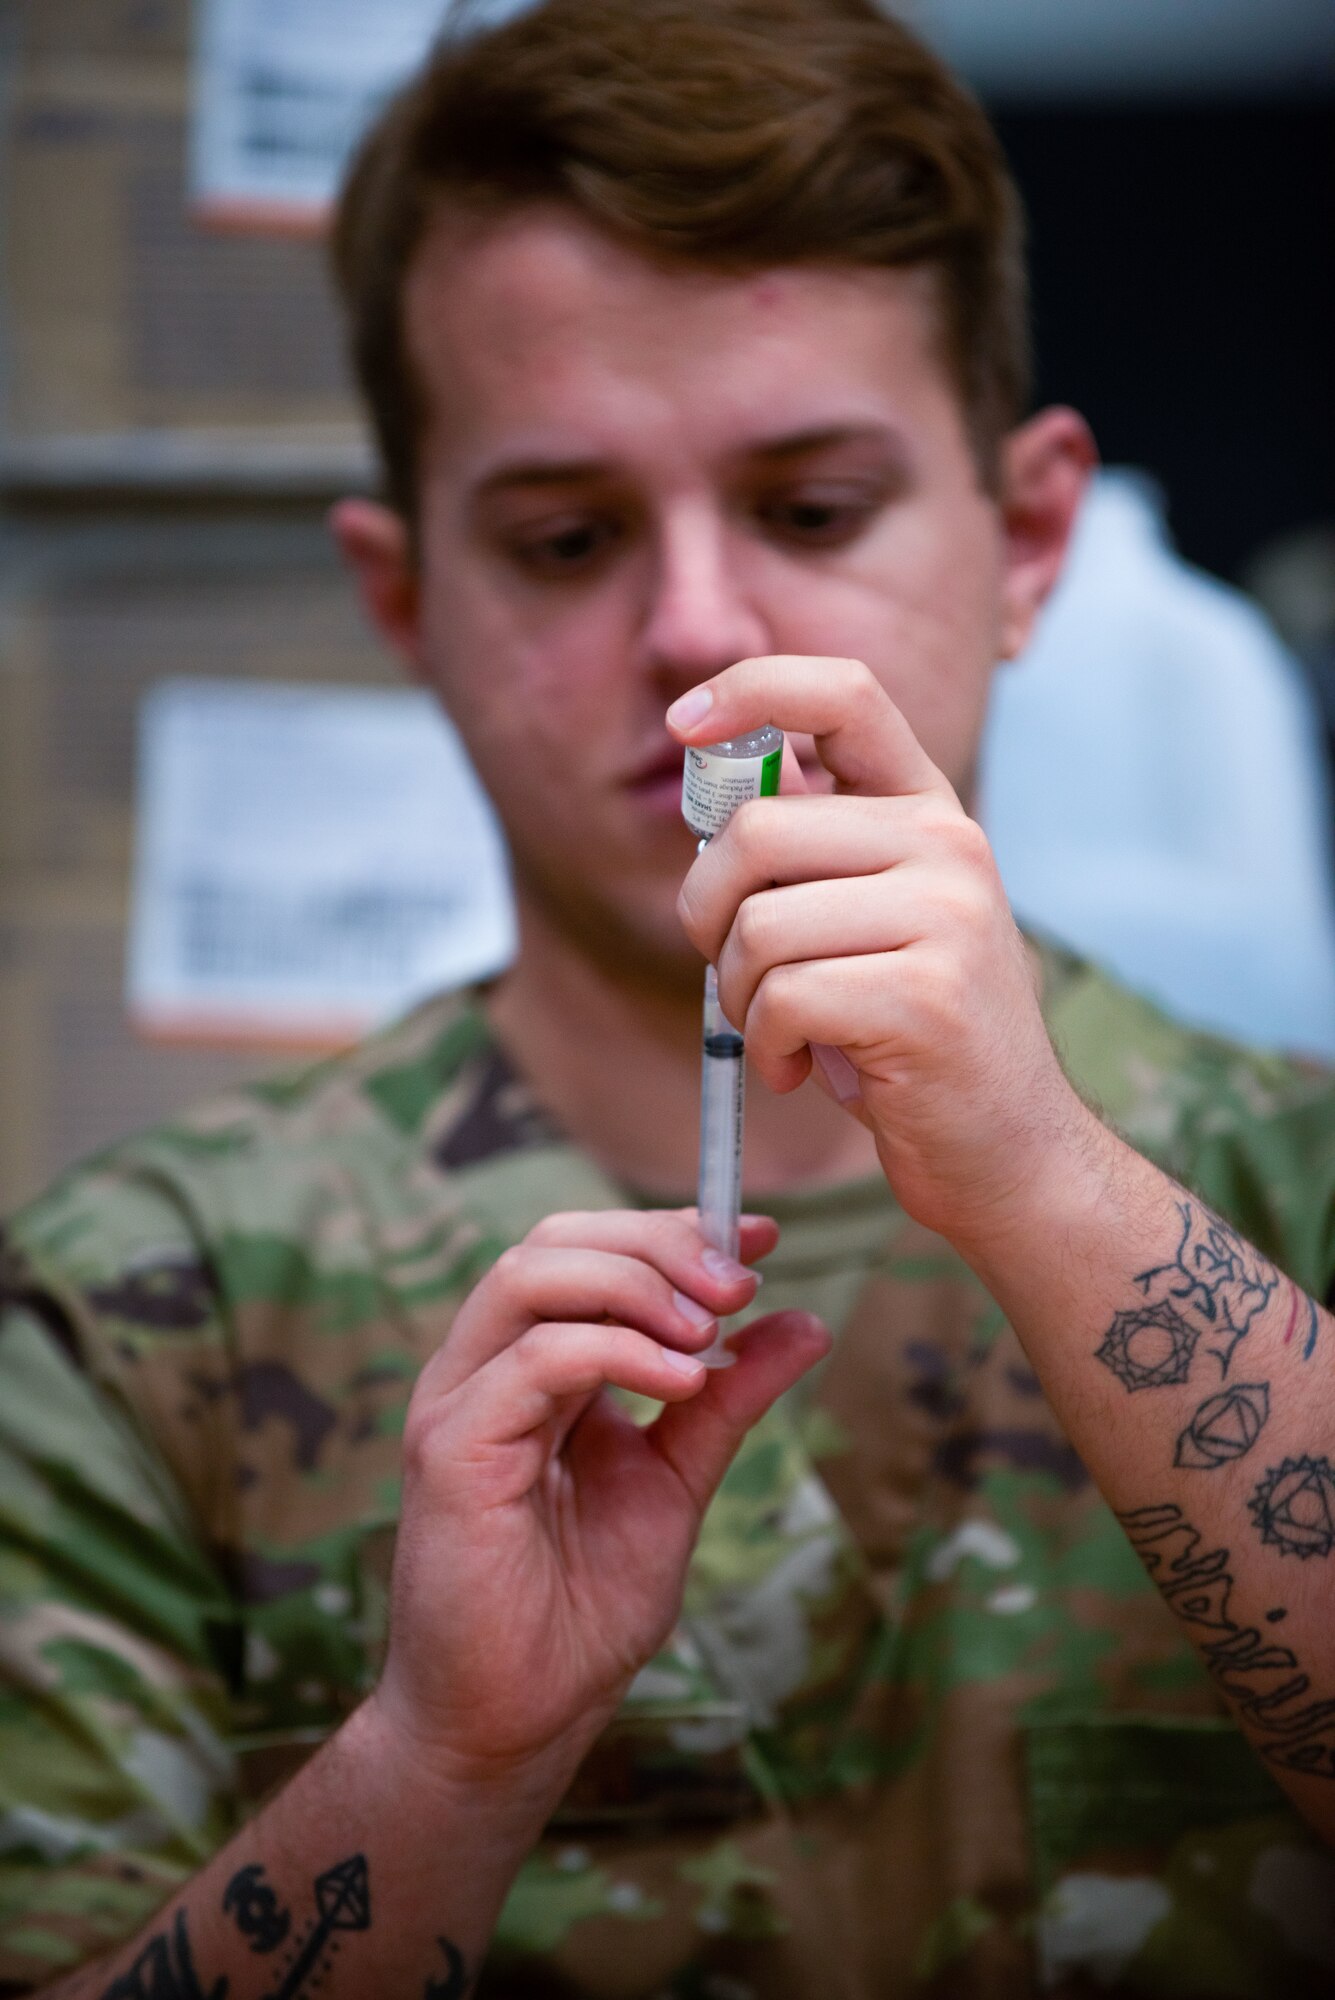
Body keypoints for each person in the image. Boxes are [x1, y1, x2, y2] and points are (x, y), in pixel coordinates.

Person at [2, 1, 1333, 1993]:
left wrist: (1053, 1181)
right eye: (563, 538)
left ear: (1029, 538)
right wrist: (436, 1764)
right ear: (403, 601)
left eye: (809, 510)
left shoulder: (1289, 1184)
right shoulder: (135, 1313)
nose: (697, 633)